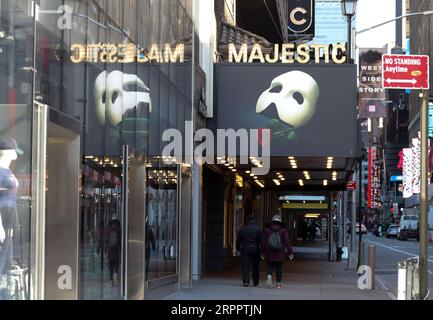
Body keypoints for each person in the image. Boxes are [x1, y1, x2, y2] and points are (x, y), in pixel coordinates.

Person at [0, 138, 23, 297]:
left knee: (7, 252)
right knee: (2, 253)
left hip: (9, 214)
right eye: (14, 150)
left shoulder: (7, 171)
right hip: (3, 214)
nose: (16, 154)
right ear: (8, 152)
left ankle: (4, 285)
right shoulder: (1, 172)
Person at [262, 214, 293, 289]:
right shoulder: (283, 230)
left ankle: (269, 275)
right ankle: (278, 284)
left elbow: (263, 242)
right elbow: (287, 241)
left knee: (269, 265)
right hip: (280, 251)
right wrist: (290, 252)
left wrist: (262, 252)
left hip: (269, 251)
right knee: (279, 267)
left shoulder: (267, 229)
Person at [236, 215, 263, 287]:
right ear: (254, 220)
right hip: (255, 249)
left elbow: (238, 240)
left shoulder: (242, 229)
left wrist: (238, 248)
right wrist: (262, 251)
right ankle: (255, 282)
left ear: (247, 220)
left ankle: (245, 282)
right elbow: (261, 241)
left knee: (245, 266)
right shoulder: (258, 229)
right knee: (255, 266)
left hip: (245, 248)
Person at [105, 219, 121, 287]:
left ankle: (111, 279)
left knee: (111, 265)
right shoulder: (119, 230)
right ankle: (115, 276)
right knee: (116, 264)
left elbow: (106, 241)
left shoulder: (109, 231)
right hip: (116, 251)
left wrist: (106, 250)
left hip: (111, 251)